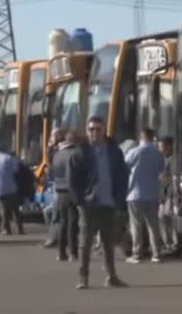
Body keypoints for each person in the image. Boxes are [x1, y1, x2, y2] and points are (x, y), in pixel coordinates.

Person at [70, 116, 128, 290]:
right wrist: (80, 200)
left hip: (108, 202)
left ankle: (111, 276)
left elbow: (122, 175)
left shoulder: (114, 151)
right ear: (86, 132)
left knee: (108, 241)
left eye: (98, 129)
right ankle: (83, 277)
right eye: (91, 129)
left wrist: (120, 197)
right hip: (89, 204)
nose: (94, 132)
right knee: (85, 242)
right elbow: (73, 180)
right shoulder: (80, 152)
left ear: (104, 131)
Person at [124, 128, 165, 264]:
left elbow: (125, 167)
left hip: (135, 193)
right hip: (152, 194)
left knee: (136, 225)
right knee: (153, 225)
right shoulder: (158, 153)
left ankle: (137, 254)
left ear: (141, 137)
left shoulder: (134, 152)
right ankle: (156, 254)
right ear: (152, 137)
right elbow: (161, 170)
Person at [51, 130, 80, 262]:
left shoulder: (57, 155)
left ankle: (61, 252)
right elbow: (71, 176)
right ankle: (73, 252)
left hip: (59, 191)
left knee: (62, 222)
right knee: (72, 223)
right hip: (71, 191)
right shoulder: (73, 155)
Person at [0, 147, 24, 235]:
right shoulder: (10, 158)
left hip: (0, 189)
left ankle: (6, 230)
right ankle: (20, 229)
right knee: (16, 210)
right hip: (12, 188)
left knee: (4, 211)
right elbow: (16, 170)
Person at [158, 136, 178, 254]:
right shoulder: (161, 159)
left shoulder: (175, 160)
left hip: (171, 194)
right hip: (163, 195)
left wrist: (166, 178)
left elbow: (174, 177)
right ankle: (168, 243)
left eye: (162, 147)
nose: (160, 149)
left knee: (169, 218)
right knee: (162, 218)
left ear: (169, 146)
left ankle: (173, 244)